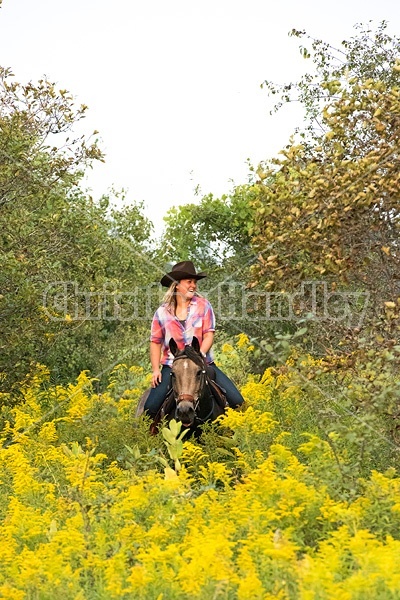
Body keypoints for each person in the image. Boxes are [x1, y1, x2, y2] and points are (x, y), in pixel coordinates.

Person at [144, 260, 244, 419]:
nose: (193, 285)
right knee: (150, 408)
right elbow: (155, 342)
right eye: (189, 282)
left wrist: (200, 355)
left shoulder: (204, 306)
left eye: (195, 282)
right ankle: (149, 439)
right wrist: (156, 369)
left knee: (238, 402)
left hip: (202, 364)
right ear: (177, 285)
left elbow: (209, 335)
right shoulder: (162, 313)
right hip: (172, 366)